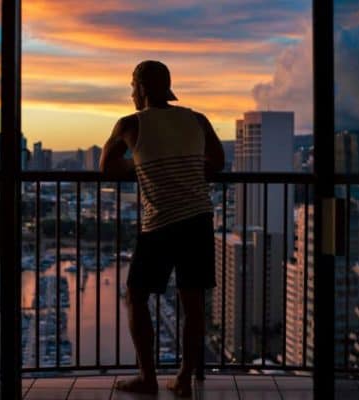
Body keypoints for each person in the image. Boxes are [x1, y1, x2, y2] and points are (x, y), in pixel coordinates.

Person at [100, 60, 225, 397]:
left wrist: (138, 164)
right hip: (198, 218)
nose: (130, 93)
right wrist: (188, 166)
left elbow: (107, 166)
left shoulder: (130, 125)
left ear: (141, 88)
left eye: (132, 86)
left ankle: (147, 377)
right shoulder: (196, 119)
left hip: (160, 223)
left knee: (136, 298)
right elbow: (218, 161)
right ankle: (184, 379)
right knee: (193, 303)